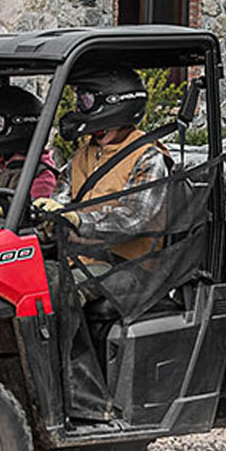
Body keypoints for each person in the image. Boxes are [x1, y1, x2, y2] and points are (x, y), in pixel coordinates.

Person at [50, 67, 173, 423]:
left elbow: (135, 217)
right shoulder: (82, 155)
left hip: (128, 267)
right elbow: (61, 199)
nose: (80, 108)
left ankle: (85, 401)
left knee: (59, 290)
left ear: (115, 105)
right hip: (82, 259)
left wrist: (78, 220)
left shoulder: (148, 158)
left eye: (86, 100)